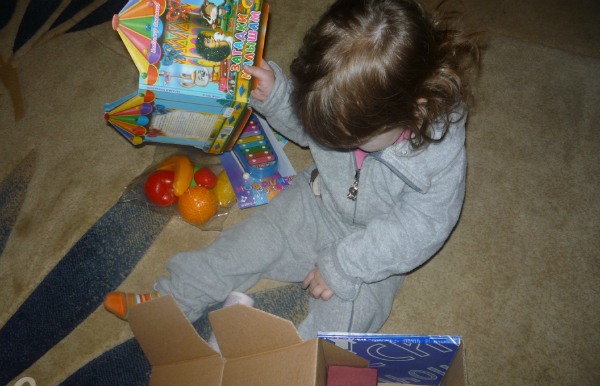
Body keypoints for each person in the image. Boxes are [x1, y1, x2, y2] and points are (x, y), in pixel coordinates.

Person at [104, 0, 480, 340]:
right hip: (315, 203)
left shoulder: (436, 156)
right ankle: (170, 302)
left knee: (346, 316)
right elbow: (309, 125)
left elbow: (421, 228)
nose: (334, 142)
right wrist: (278, 96)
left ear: (415, 107)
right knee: (242, 245)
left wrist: (345, 264)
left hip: (373, 248)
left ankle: (291, 367)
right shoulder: (346, 106)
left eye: (350, 137)